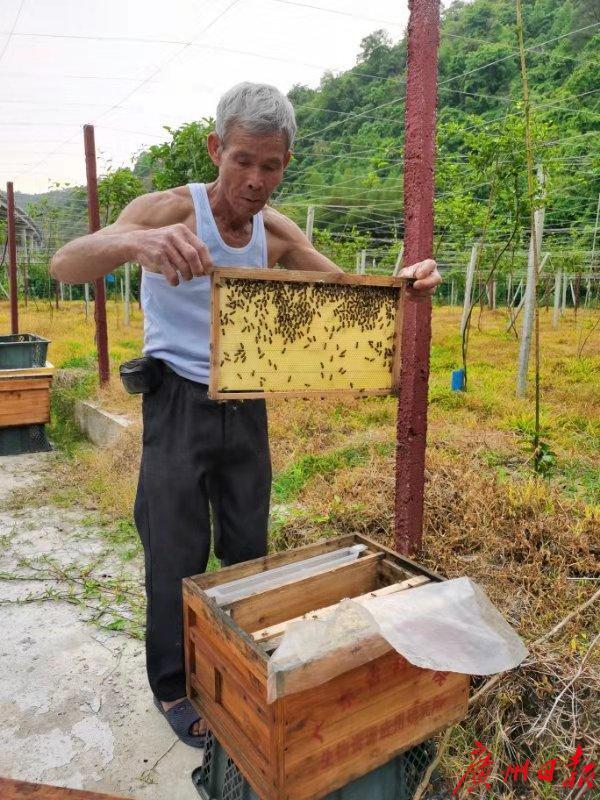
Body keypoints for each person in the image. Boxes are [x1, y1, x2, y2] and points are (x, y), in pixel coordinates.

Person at [51, 82, 441, 747]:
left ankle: (234, 668)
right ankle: (174, 685)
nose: (256, 180)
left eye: (271, 165)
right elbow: (65, 265)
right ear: (216, 149)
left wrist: (409, 283)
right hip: (175, 400)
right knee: (175, 551)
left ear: (287, 162)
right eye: (242, 161)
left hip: (248, 401)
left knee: (247, 547)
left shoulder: (276, 230)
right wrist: (130, 246)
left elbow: (349, 294)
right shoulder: (166, 209)